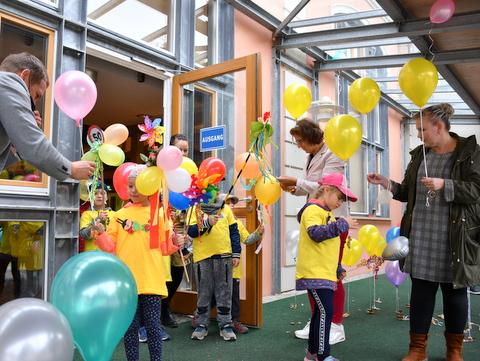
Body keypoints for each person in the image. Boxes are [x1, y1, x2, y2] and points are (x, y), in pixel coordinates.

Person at [367, 103, 480, 361]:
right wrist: (388, 183)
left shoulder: (470, 152)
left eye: (422, 129)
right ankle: (417, 349)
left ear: (439, 127)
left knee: (455, 296)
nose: (419, 135)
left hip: (455, 238)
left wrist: (445, 184)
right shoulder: (419, 154)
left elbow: (476, 190)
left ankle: (454, 350)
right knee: (421, 295)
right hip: (422, 236)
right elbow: (409, 191)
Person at [93, 164, 184, 361]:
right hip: (126, 281)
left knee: (153, 327)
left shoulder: (159, 215)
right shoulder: (118, 215)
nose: (133, 190)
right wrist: (100, 234)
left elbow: (165, 248)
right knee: (130, 328)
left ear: (150, 186)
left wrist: (176, 243)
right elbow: (110, 247)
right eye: (130, 186)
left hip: (151, 279)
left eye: (138, 186)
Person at [277, 118, 348, 345]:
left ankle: (335, 324)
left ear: (310, 137)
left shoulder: (333, 153)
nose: (298, 145)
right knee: (313, 277)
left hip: (333, 220)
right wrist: (294, 187)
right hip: (315, 218)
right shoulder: (312, 156)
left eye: (300, 141)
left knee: (332, 274)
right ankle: (319, 319)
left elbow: (328, 187)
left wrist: (297, 181)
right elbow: (314, 189)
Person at [0, 52, 95, 180]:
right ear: (24, 76)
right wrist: (71, 168)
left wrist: (16, 138)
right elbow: (32, 144)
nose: (33, 103)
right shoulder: (8, 81)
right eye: (37, 95)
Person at [296, 173, 358, 361]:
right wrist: (341, 224)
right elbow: (315, 233)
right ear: (327, 190)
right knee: (326, 312)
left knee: (320, 312)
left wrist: (337, 267)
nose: (340, 202)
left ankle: (312, 354)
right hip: (314, 272)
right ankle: (323, 355)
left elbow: (328, 246)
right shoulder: (313, 210)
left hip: (326, 273)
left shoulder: (328, 214)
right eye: (339, 197)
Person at [187, 190, 241, 341]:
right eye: (208, 189)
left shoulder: (225, 209)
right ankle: (202, 324)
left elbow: (234, 232)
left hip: (224, 257)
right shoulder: (196, 208)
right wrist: (206, 223)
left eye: (215, 190)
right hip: (203, 258)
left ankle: (225, 325)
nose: (213, 194)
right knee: (204, 292)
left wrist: (236, 253)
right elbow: (191, 231)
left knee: (224, 292)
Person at [161, 134, 192, 328]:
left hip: (182, 231)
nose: (182, 153)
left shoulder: (189, 172)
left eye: (185, 150)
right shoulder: (162, 173)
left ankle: (166, 306)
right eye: (179, 149)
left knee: (179, 272)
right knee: (165, 273)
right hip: (164, 229)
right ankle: (163, 310)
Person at [223, 193, 264, 333]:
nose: (232, 205)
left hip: (234, 269)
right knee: (215, 295)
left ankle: (234, 320)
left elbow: (246, 240)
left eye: (232, 203)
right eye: (228, 203)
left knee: (234, 295)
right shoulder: (217, 223)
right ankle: (200, 316)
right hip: (219, 267)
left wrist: (258, 233)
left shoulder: (238, 223)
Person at [79, 182, 116, 252]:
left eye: (102, 193)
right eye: (95, 193)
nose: (99, 196)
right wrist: (98, 219)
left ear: (107, 197)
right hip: (92, 254)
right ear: (90, 197)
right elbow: (85, 235)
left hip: (110, 254)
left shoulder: (115, 214)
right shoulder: (87, 214)